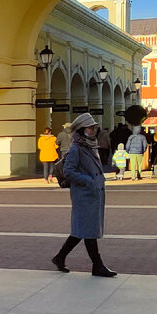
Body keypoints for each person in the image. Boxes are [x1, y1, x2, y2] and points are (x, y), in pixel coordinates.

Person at [51, 112, 116, 277]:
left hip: (92, 194)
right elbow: (69, 171)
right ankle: (97, 265)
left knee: (83, 230)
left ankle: (60, 257)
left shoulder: (89, 145)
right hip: (84, 195)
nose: (93, 130)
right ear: (81, 130)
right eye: (90, 128)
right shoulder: (76, 148)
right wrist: (88, 181)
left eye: (94, 127)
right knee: (87, 231)